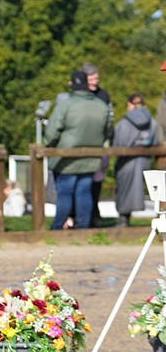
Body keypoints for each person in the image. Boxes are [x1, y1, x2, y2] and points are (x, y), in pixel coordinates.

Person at [45, 70, 113, 230]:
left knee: (65, 193)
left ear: (72, 84)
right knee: (84, 192)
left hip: (66, 158)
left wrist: (52, 145)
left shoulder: (66, 104)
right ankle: (83, 228)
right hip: (91, 157)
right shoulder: (101, 105)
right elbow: (107, 130)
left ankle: (57, 227)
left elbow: (51, 132)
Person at [113, 93, 162, 226]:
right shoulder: (152, 122)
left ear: (129, 104)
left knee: (124, 188)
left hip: (126, 162)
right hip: (144, 161)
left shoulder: (123, 123)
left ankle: (123, 219)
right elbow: (157, 140)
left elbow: (117, 144)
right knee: (140, 188)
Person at [81, 62, 114, 226]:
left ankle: (94, 214)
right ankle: (87, 215)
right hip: (84, 145)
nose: (94, 81)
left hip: (100, 144)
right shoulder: (80, 95)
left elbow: (109, 120)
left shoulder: (103, 95)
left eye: (96, 78)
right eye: (91, 78)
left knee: (97, 181)